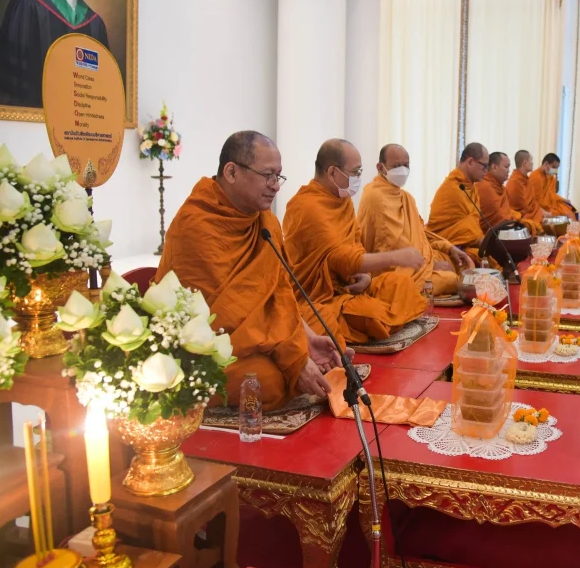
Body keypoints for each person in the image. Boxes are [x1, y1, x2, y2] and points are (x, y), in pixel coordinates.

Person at [156, 131, 344, 410]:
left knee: (327, 333)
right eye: (267, 175)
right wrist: (294, 356)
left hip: (256, 336)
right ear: (231, 171)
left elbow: (277, 294)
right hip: (206, 345)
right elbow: (227, 317)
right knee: (264, 381)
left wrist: (307, 339)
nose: (275, 186)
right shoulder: (197, 224)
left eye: (278, 176)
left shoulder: (264, 221)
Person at [282, 139, 427, 346]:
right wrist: (396, 257)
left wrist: (367, 277)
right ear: (332, 173)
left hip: (354, 286)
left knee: (401, 284)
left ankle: (379, 323)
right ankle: (378, 324)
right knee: (371, 314)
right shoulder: (307, 206)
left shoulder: (343, 200)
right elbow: (340, 259)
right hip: (323, 297)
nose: (358, 178)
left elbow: (356, 244)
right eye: (355, 172)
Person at [357, 144, 474, 298]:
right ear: (380, 168)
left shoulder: (406, 197)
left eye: (406, 165)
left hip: (418, 263)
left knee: (456, 264)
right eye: (396, 166)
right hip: (393, 271)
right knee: (452, 279)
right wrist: (430, 265)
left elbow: (420, 234)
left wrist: (449, 247)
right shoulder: (374, 197)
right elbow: (389, 249)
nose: (402, 170)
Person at [428, 143, 515, 276]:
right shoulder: (453, 188)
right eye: (484, 166)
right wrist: (486, 244)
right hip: (449, 246)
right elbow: (463, 231)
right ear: (470, 162)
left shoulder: (471, 187)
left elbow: (472, 225)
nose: (486, 171)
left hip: (467, 244)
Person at [476, 152, 540, 233]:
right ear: (494, 167)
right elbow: (499, 219)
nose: (508, 170)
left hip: (506, 227)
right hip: (491, 235)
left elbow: (507, 211)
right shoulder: (485, 187)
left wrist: (516, 217)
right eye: (506, 167)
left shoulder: (501, 187)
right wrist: (517, 219)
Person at [506, 149, 546, 230]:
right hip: (523, 218)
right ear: (525, 163)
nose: (532, 162)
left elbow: (533, 203)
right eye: (531, 160)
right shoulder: (515, 182)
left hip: (533, 214)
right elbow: (522, 209)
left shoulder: (526, 180)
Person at [529, 153, 577, 219]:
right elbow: (535, 201)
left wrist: (563, 199)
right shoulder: (536, 177)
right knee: (564, 215)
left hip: (551, 204)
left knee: (570, 210)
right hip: (542, 208)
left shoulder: (551, 178)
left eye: (557, 168)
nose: (555, 170)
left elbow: (552, 194)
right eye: (554, 167)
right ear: (546, 164)